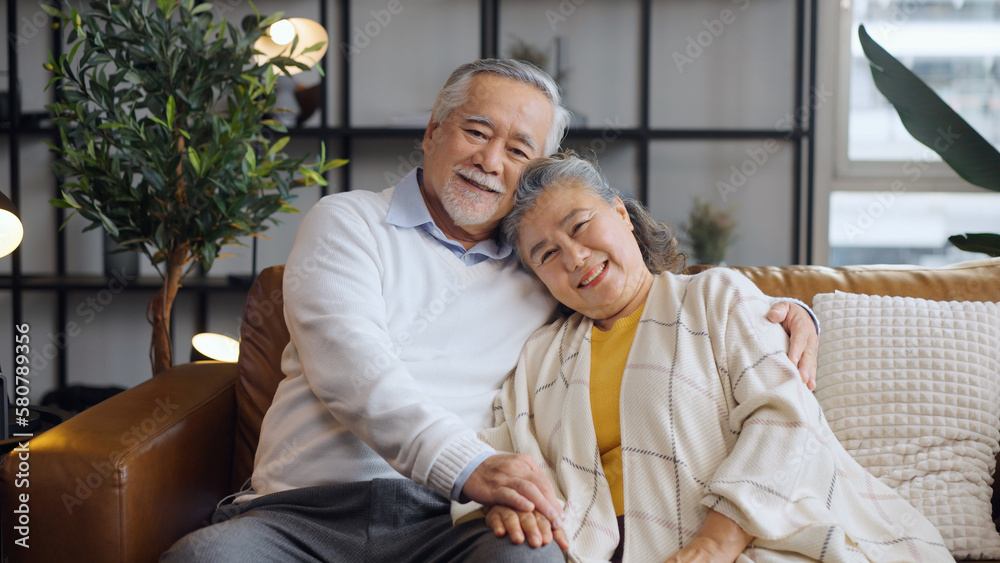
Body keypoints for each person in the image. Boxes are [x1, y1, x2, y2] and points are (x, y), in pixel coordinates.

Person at [164, 60, 819, 562]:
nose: (489, 161)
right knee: (205, 557)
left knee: (531, 555)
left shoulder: (542, 265)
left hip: (452, 518)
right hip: (301, 513)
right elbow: (351, 367)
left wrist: (778, 309)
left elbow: (643, 289)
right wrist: (471, 466)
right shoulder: (349, 222)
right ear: (433, 131)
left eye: (518, 150)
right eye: (477, 131)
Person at [468, 152, 953, 562]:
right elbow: (498, 450)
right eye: (547, 254)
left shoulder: (713, 296)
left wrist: (713, 545)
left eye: (580, 225)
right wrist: (501, 502)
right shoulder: (541, 355)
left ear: (619, 213)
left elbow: (784, 420)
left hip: (746, 535)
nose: (573, 257)